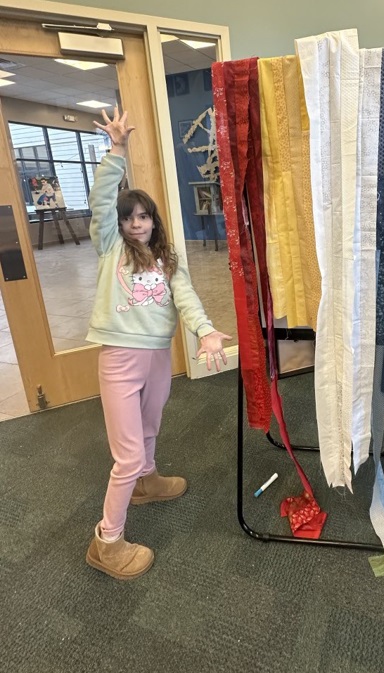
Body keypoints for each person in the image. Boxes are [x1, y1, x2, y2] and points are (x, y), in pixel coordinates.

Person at [85, 107, 231, 580]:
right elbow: (102, 203)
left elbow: (184, 297)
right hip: (120, 358)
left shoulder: (168, 259)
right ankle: (106, 541)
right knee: (124, 454)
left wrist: (205, 329)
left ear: (153, 220)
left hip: (156, 358)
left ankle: (147, 482)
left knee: (150, 426)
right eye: (129, 218)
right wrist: (116, 150)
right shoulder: (111, 248)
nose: (135, 224)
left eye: (143, 217)